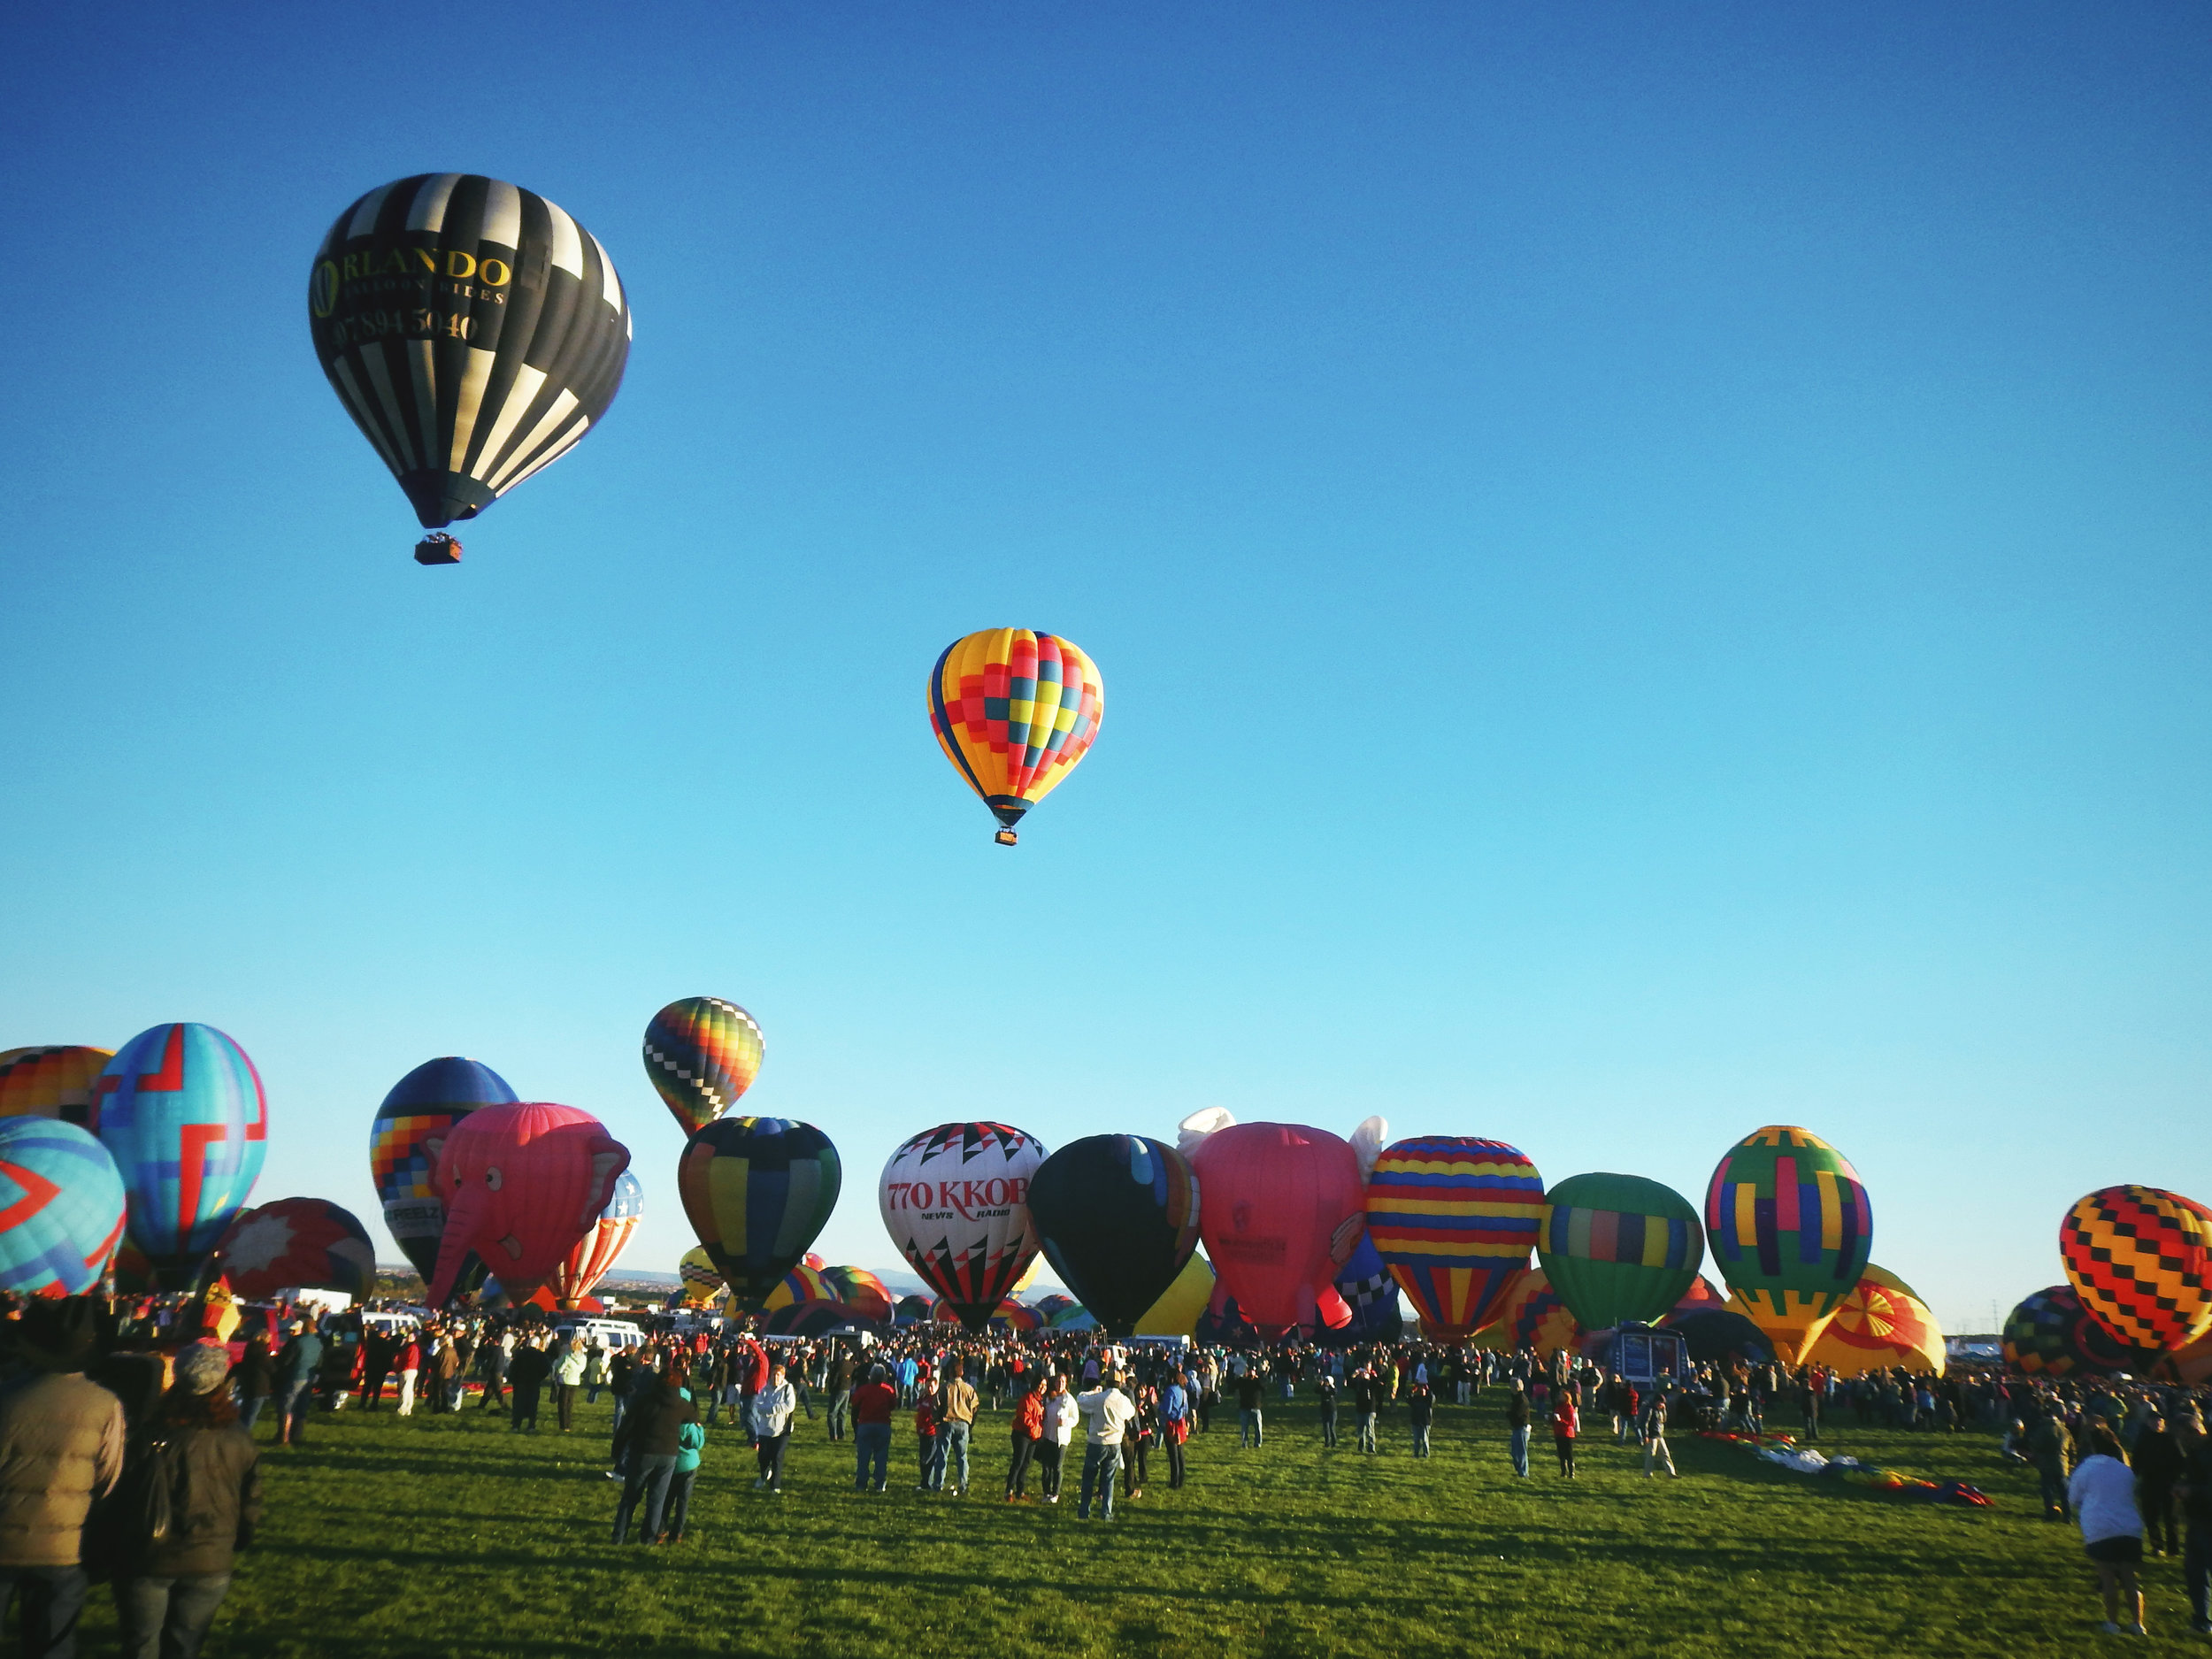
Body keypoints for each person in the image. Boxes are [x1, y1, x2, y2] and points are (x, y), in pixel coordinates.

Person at [109, 1343, 261, 1659]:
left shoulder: (151, 1432)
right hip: (210, 1556)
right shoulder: (238, 1437)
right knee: (185, 1646)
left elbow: (123, 1494)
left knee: (141, 1644)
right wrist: (241, 1536)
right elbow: (251, 1499)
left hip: (149, 1553)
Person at [0, 1300, 127, 1659]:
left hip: (4, 1535)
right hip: (63, 1545)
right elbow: (109, 1475)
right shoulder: (105, 1404)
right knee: (53, 1646)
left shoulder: (7, 1396)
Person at [2069, 1425, 2147, 1637]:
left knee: (2107, 1577)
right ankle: (2137, 1623)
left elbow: (2073, 1498)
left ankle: (2112, 1623)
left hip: (2100, 1527)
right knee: (2130, 1577)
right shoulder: (2125, 1470)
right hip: (2129, 1526)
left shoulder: (2086, 1468)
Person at [611, 1364, 698, 1545]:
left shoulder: (644, 1400)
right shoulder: (682, 1405)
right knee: (657, 1500)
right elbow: (694, 1417)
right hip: (668, 1455)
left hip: (643, 1451)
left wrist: (617, 1451)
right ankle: (648, 1538)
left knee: (631, 1496)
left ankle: (619, 1536)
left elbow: (626, 1428)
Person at [1075, 1370, 1136, 1521]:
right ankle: (1106, 1512)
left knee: (1088, 1478)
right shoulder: (1123, 1400)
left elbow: (1080, 1399)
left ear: (1106, 1382)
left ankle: (1084, 1511)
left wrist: (1093, 1391)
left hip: (1097, 1442)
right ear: (1120, 1383)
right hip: (1115, 1443)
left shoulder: (1098, 1398)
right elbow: (1131, 1412)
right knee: (1109, 1480)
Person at [2177, 1409, 2211, 1636]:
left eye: (2181, 1436)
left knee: (2198, 1571)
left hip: (2206, 1521)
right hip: (2198, 1519)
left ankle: (2202, 1620)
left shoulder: (2206, 1453)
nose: (2179, 1442)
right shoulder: (2198, 1453)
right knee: (2195, 1572)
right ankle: (2201, 1620)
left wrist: (2191, 1491)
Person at [271, 1319, 322, 1448]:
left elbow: (286, 1361)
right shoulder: (318, 1343)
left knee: (288, 1406)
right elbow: (320, 1362)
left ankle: (284, 1437)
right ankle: (297, 1436)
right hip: (309, 1377)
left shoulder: (298, 1341)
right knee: (302, 1407)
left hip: (296, 1376)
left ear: (303, 1327)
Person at [749, 1362, 796, 1494]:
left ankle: (775, 1485)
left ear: (783, 1376)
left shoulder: (788, 1389)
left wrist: (771, 1409)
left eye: (778, 1375)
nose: (776, 1378)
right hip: (765, 1428)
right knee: (763, 1457)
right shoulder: (765, 1389)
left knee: (777, 1457)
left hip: (782, 1430)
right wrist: (774, 1408)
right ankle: (764, 1474)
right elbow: (758, 1406)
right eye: (774, 1375)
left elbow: (789, 1406)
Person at [850, 1365, 896, 1494]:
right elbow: (893, 1405)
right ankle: (880, 1483)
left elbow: (855, 1405)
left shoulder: (863, 1390)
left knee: (863, 1457)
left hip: (866, 1424)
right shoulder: (888, 1390)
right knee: (881, 1456)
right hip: (883, 1425)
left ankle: (861, 1483)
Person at [938, 1360, 977, 1497]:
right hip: (963, 1423)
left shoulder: (944, 1387)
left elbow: (936, 1406)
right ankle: (963, 1483)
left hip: (947, 1422)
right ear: (962, 1372)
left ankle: (939, 1483)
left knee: (943, 1454)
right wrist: (971, 1424)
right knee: (962, 1456)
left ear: (949, 1372)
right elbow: (975, 1407)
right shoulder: (969, 1389)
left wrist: (937, 1422)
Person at [1039, 1374, 1078, 1505]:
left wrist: (1065, 1422)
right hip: (1047, 1436)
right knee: (1046, 1467)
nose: (1060, 1384)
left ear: (1066, 1383)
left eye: (1063, 1382)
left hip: (1061, 1439)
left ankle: (1055, 1493)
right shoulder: (1050, 1398)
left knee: (1057, 1467)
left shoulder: (1069, 1400)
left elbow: (1076, 1418)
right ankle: (1046, 1492)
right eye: (1058, 1381)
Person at [1006, 1377, 1043, 1501]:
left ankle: (1020, 1491)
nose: (1042, 1387)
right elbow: (1025, 1417)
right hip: (1022, 1434)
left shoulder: (1040, 1400)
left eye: (1045, 1385)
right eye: (1040, 1385)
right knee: (1018, 1462)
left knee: (1026, 1464)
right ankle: (1009, 1491)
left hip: (1033, 1436)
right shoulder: (1028, 1398)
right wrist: (1034, 1431)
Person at [507, 1338, 550, 1433]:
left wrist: (514, 1378)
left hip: (520, 1382)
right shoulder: (540, 1355)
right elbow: (547, 1369)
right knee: (533, 1405)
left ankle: (516, 1425)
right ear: (538, 1344)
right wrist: (540, 1378)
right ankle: (531, 1426)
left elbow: (512, 1367)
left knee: (518, 1404)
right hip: (534, 1382)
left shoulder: (520, 1354)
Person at [233, 1334, 273, 1436]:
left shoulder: (249, 1351)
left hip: (247, 1385)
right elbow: (272, 1369)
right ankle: (243, 1436)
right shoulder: (262, 1355)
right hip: (259, 1387)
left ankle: (237, 1433)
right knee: (251, 1415)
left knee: (244, 1412)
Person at [1161, 1371, 1191, 1489]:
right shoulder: (1183, 1392)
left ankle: (1174, 1482)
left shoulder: (1170, 1390)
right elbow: (1186, 1408)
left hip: (1171, 1423)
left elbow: (1167, 1409)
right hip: (1180, 1423)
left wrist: (1160, 1406)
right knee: (1180, 1453)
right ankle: (1181, 1479)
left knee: (1173, 1455)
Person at [551, 1336, 588, 1433]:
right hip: (575, 1381)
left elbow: (559, 1368)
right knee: (570, 1404)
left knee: (562, 1403)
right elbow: (582, 1369)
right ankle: (568, 1424)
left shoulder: (567, 1357)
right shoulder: (583, 1358)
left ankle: (563, 1425)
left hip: (565, 1380)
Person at [913, 1381, 942, 1493]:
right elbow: (918, 1408)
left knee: (928, 1459)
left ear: (936, 1387)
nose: (929, 1389)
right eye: (927, 1386)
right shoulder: (924, 1398)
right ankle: (924, 1482)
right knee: (922, 1458)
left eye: (931, 1386)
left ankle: (929, 1482)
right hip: (922, 1431)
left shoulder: (936, 1400)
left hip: (932, 1432)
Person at [1643, 1387, 1678, 1478]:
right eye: (1660, 1402)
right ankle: (1648, 1474)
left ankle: (1671, 1473)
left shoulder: (1660, 1411)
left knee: (1666, 1454)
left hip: (1659, 1435)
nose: (1661, 1404)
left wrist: (1664, 1410)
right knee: (1651, 1455)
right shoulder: (1651, 1410)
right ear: (1656, 1402)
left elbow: (1664, 1420)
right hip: (1652, 1435)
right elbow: (1646, 1423)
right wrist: (1646, 1435)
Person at [1504, 1379, 1532, 1479]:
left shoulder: (1521, 1400)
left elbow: (1517, 1414)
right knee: (1515, 1451)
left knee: (1521, 1451)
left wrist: (1508, 1414)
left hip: (1522, 1428)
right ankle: (1520, 1469)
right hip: (1517, 1427)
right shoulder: (1517, 1398)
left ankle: (1524, 1473)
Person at [1352, 1367, 1383, 1455]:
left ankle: (1371, 1447)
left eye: (1365, 1373)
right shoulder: (1358, 1384)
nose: (1363, 1375)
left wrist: (1372, 1374)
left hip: (1369, 1410)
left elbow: (1377, 1382)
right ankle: (1361, 1447)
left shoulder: (1371, 1383)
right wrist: (1355, 1374)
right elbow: (1350, 1382)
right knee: (1360, 1430)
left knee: (1370, 1430)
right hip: (1360, 1409)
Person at [1553, 1384, 1579, 1479]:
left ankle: (1571, 1472)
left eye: (1561, 1395)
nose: (1559, 1397)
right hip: (1558, 1432)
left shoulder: (1569, 1408)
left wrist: (1561, 1420)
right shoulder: (1558, 1407)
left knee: (1568, 1454)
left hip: (1567, 1434)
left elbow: (1571, 1422)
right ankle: (1563, 1471)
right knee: (1561, 1454)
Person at [1234, 1367, 1264, 1448]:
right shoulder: (1242, 1381)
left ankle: (1258, 1443)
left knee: (1258, 1427)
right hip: (1244, 1407)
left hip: (1255, 1407)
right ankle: (1244, 1443)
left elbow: (1264, 1387)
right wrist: (1243, 1376)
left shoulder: (1257, 1382)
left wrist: (1257, 1378)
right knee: (1244, 1428)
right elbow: (1234, 1385)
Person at [1408, 1381, 1434, 1459]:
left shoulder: (1428, 1400)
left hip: (1425, 1422)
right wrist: (1412, 1391)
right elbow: (1408, 1399)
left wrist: (1428, 1390)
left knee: (1425, 1439)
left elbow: (1432, 1398)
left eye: (1424, 1390)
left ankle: (1426, 1454)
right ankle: (1416, 1454)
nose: (1422, 1391)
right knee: (1416, 1440)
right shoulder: (1415, 1399)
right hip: (1416, 1421)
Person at [1316, 1367, 1339, 1449]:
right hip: (1324, 1409)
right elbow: (1316, 1390)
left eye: (1327, 1381)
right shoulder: (1322, 1388)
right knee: (1326, 1427)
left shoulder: (1332, 1389)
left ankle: (1334, 1443)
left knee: (1332, 1427)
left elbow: (1335, 1392)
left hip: (1332, 1409)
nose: (1326, 1383)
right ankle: (1327, 1442)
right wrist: (1320, 1384)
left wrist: (1331, 1386)